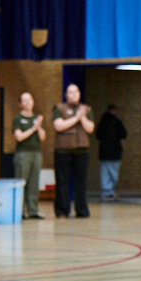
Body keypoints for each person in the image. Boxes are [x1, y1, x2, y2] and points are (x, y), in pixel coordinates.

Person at [52, 84, 94, 218]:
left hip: (81, 151)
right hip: (63, 151)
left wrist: (82, 116)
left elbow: (90, 128)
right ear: (66, 95)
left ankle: (81, 210)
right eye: (70, 92)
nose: (74, 95)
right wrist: (76, 118)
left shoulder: (87, 109)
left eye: (76, 92)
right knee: (62, 182)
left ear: (79, 94)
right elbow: (58, 126)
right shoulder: (59, 108)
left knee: (81, 182)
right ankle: (62, 210)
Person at [12, 92, 45, 219]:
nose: (28, 102)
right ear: (20, 104)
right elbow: (19, 137)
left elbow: (42, 137)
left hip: (36, 153)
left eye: (30, 100)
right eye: (24, 100)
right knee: (21, 181)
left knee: (34, 182)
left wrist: (39, 126)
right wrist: (33, 128)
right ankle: (19, 210)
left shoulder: (36, 118)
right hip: (23, 153)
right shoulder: (18, 118)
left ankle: (33, 210)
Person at [96, 104, 127, 201]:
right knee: (114, 173)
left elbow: (98, 135)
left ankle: (106, 191)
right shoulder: (117, 123)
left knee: (105, 173)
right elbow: (124, 134)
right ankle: (109, 191)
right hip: (115, 151)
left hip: (104, 151)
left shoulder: (102, 123)